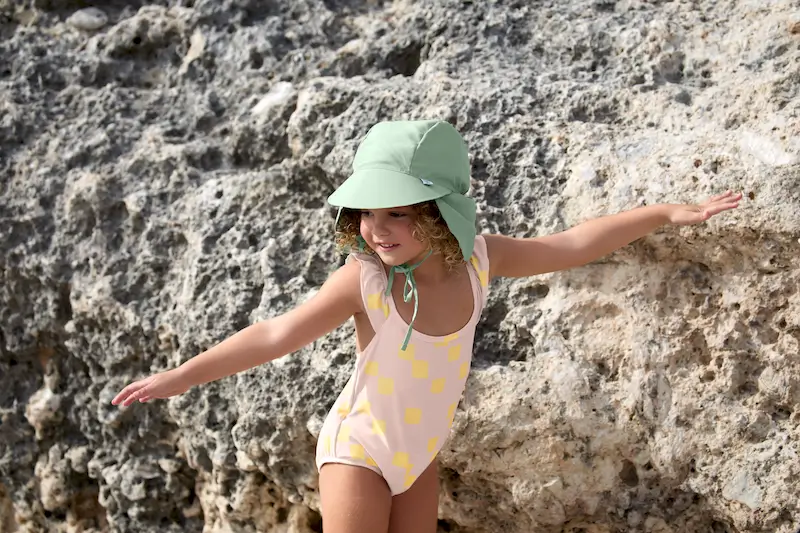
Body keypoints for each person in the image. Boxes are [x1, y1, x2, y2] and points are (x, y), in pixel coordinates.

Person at [112, 120, 741, 533]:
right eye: (365, 213)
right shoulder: (367, 280)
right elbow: (277, 334)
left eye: (397, 214)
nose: (376, 229)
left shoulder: (480, 260)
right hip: (358, 450)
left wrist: (661, 212)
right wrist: (182, 377)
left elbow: (570, 244)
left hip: (418, 454)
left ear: (441, 213)